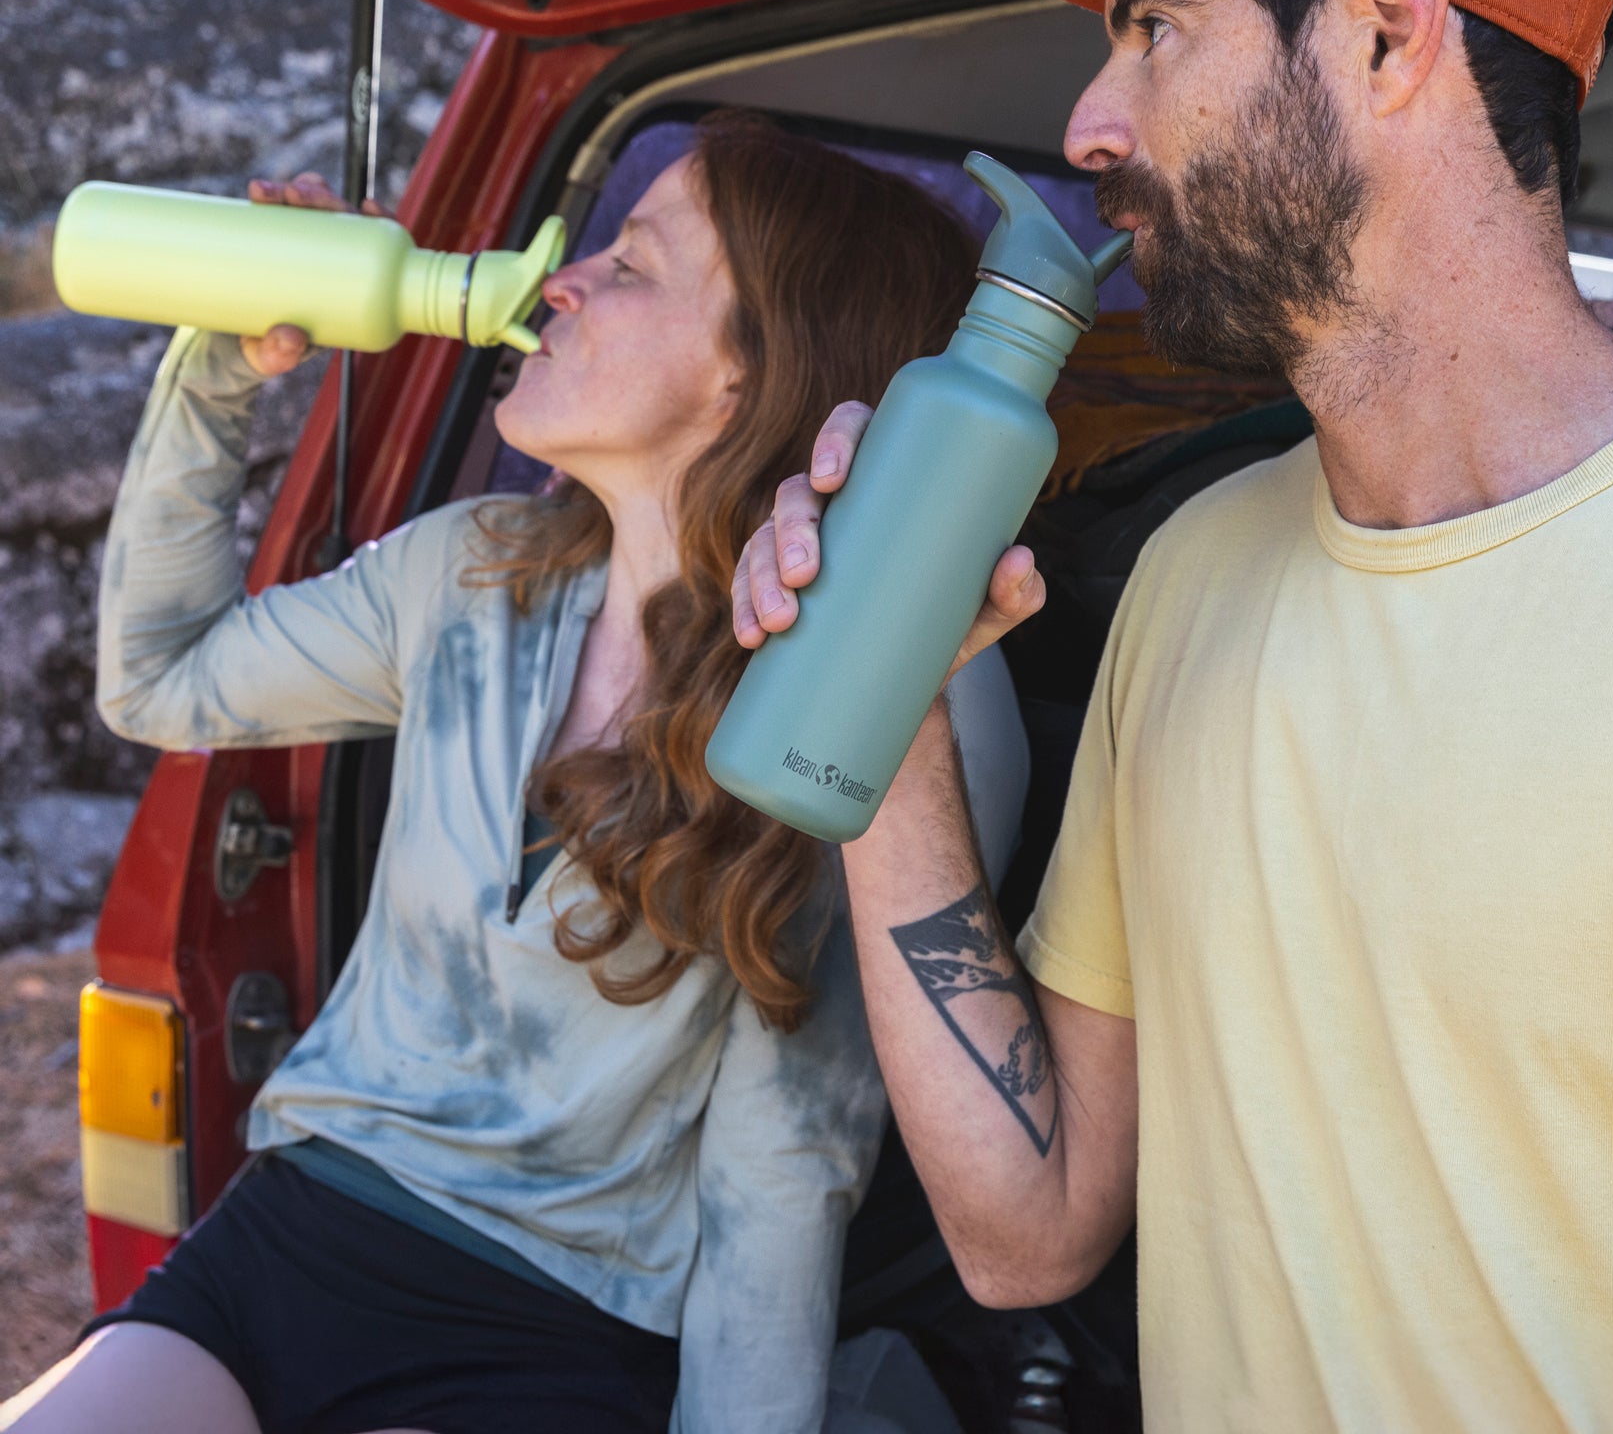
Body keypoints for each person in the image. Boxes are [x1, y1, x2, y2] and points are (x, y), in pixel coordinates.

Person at [733, 0, 1613, 1431]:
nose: (1089, 125)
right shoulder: (1191, 572)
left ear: (1390, 25)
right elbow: (1028, 1236)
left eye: (1154, 25)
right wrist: (877, 707)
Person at [6, 111, 1028, 1434]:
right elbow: (159, 678)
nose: (563, 278)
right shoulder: (476, 566)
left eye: (635, 264)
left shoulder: (899, 684)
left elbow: (788, 1176)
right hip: (292, 1232)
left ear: (748, 373)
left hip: (548, 1327)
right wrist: (219, 365)